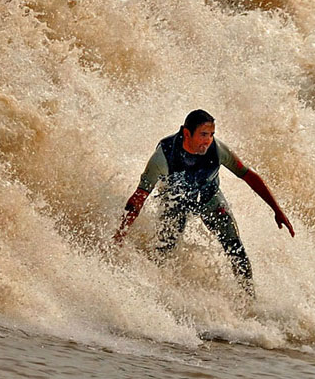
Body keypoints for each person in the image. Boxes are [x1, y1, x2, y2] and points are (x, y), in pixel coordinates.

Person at [113, 109, 294, 296]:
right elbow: (138, 198)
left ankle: (250, 299)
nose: (208, 140)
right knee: (164, 250)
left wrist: (277, 210)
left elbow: (249, 176)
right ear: (186, 133)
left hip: (210, 198)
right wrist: (120, 233)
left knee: (236, 247)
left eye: (211, 134)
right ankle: (155, 294)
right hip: (175, 203)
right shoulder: (163, 158)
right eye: (203, 134)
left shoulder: (217, 150)